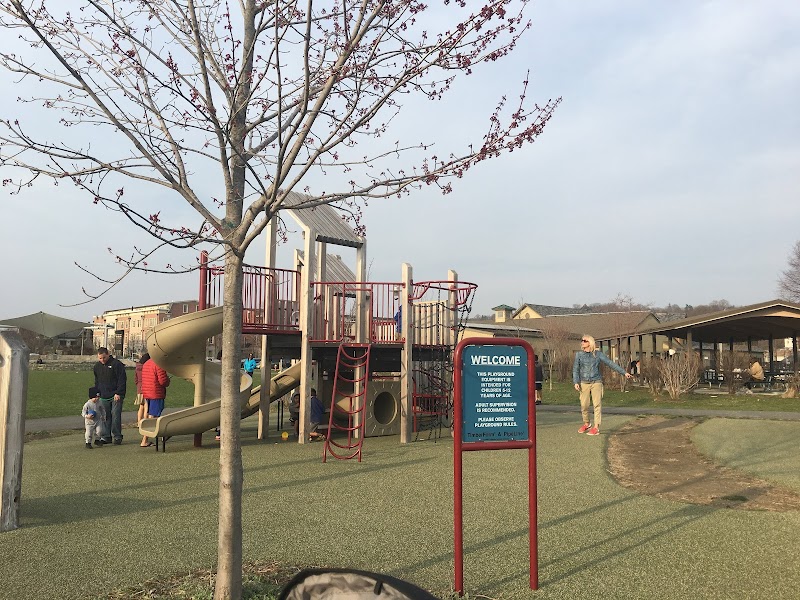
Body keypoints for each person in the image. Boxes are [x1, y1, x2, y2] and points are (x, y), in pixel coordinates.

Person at [572, 335, 633, 436]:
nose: (582, 342)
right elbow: (575, 369)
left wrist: (624, 372)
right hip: (584, 383)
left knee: (597, 405)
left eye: (585, 341)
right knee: (584, 405)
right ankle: (587, 424)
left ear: (590, 343)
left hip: (596, 382)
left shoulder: (598, 354)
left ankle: (596, 427)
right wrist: (575, 382)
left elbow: (610, 363)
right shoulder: (579, 355)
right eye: (582, 340)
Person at [93, 347, 127, 445]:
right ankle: (106, 436)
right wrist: (97, 393)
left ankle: (117, 436)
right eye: (100, 358)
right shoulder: (97, 367)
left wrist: (119, 393)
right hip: (103, 395)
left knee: (115, 416)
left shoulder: (117, 364)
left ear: (108, 354)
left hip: (115, 395)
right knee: (105, 416)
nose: (102, 360)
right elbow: (97, 381)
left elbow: (122, 380)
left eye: (104, 357)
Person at [140, 354, 170, 447]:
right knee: (154, 416)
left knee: (150, 415)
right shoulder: (159, 364)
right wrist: (168, 381)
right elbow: (163, 381)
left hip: (147, 392)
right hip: (156, 392)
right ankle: (145, 439)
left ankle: (152, 436)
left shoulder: (146, 364)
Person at [134, 354, 150, 426]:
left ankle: (139, 422)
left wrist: (138, 385)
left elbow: (135, 379)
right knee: (147, 406)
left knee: (141, 406)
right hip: (146, 387)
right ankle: (145, 422)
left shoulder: (137, 367)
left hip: (139, 387)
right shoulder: (146, 367)